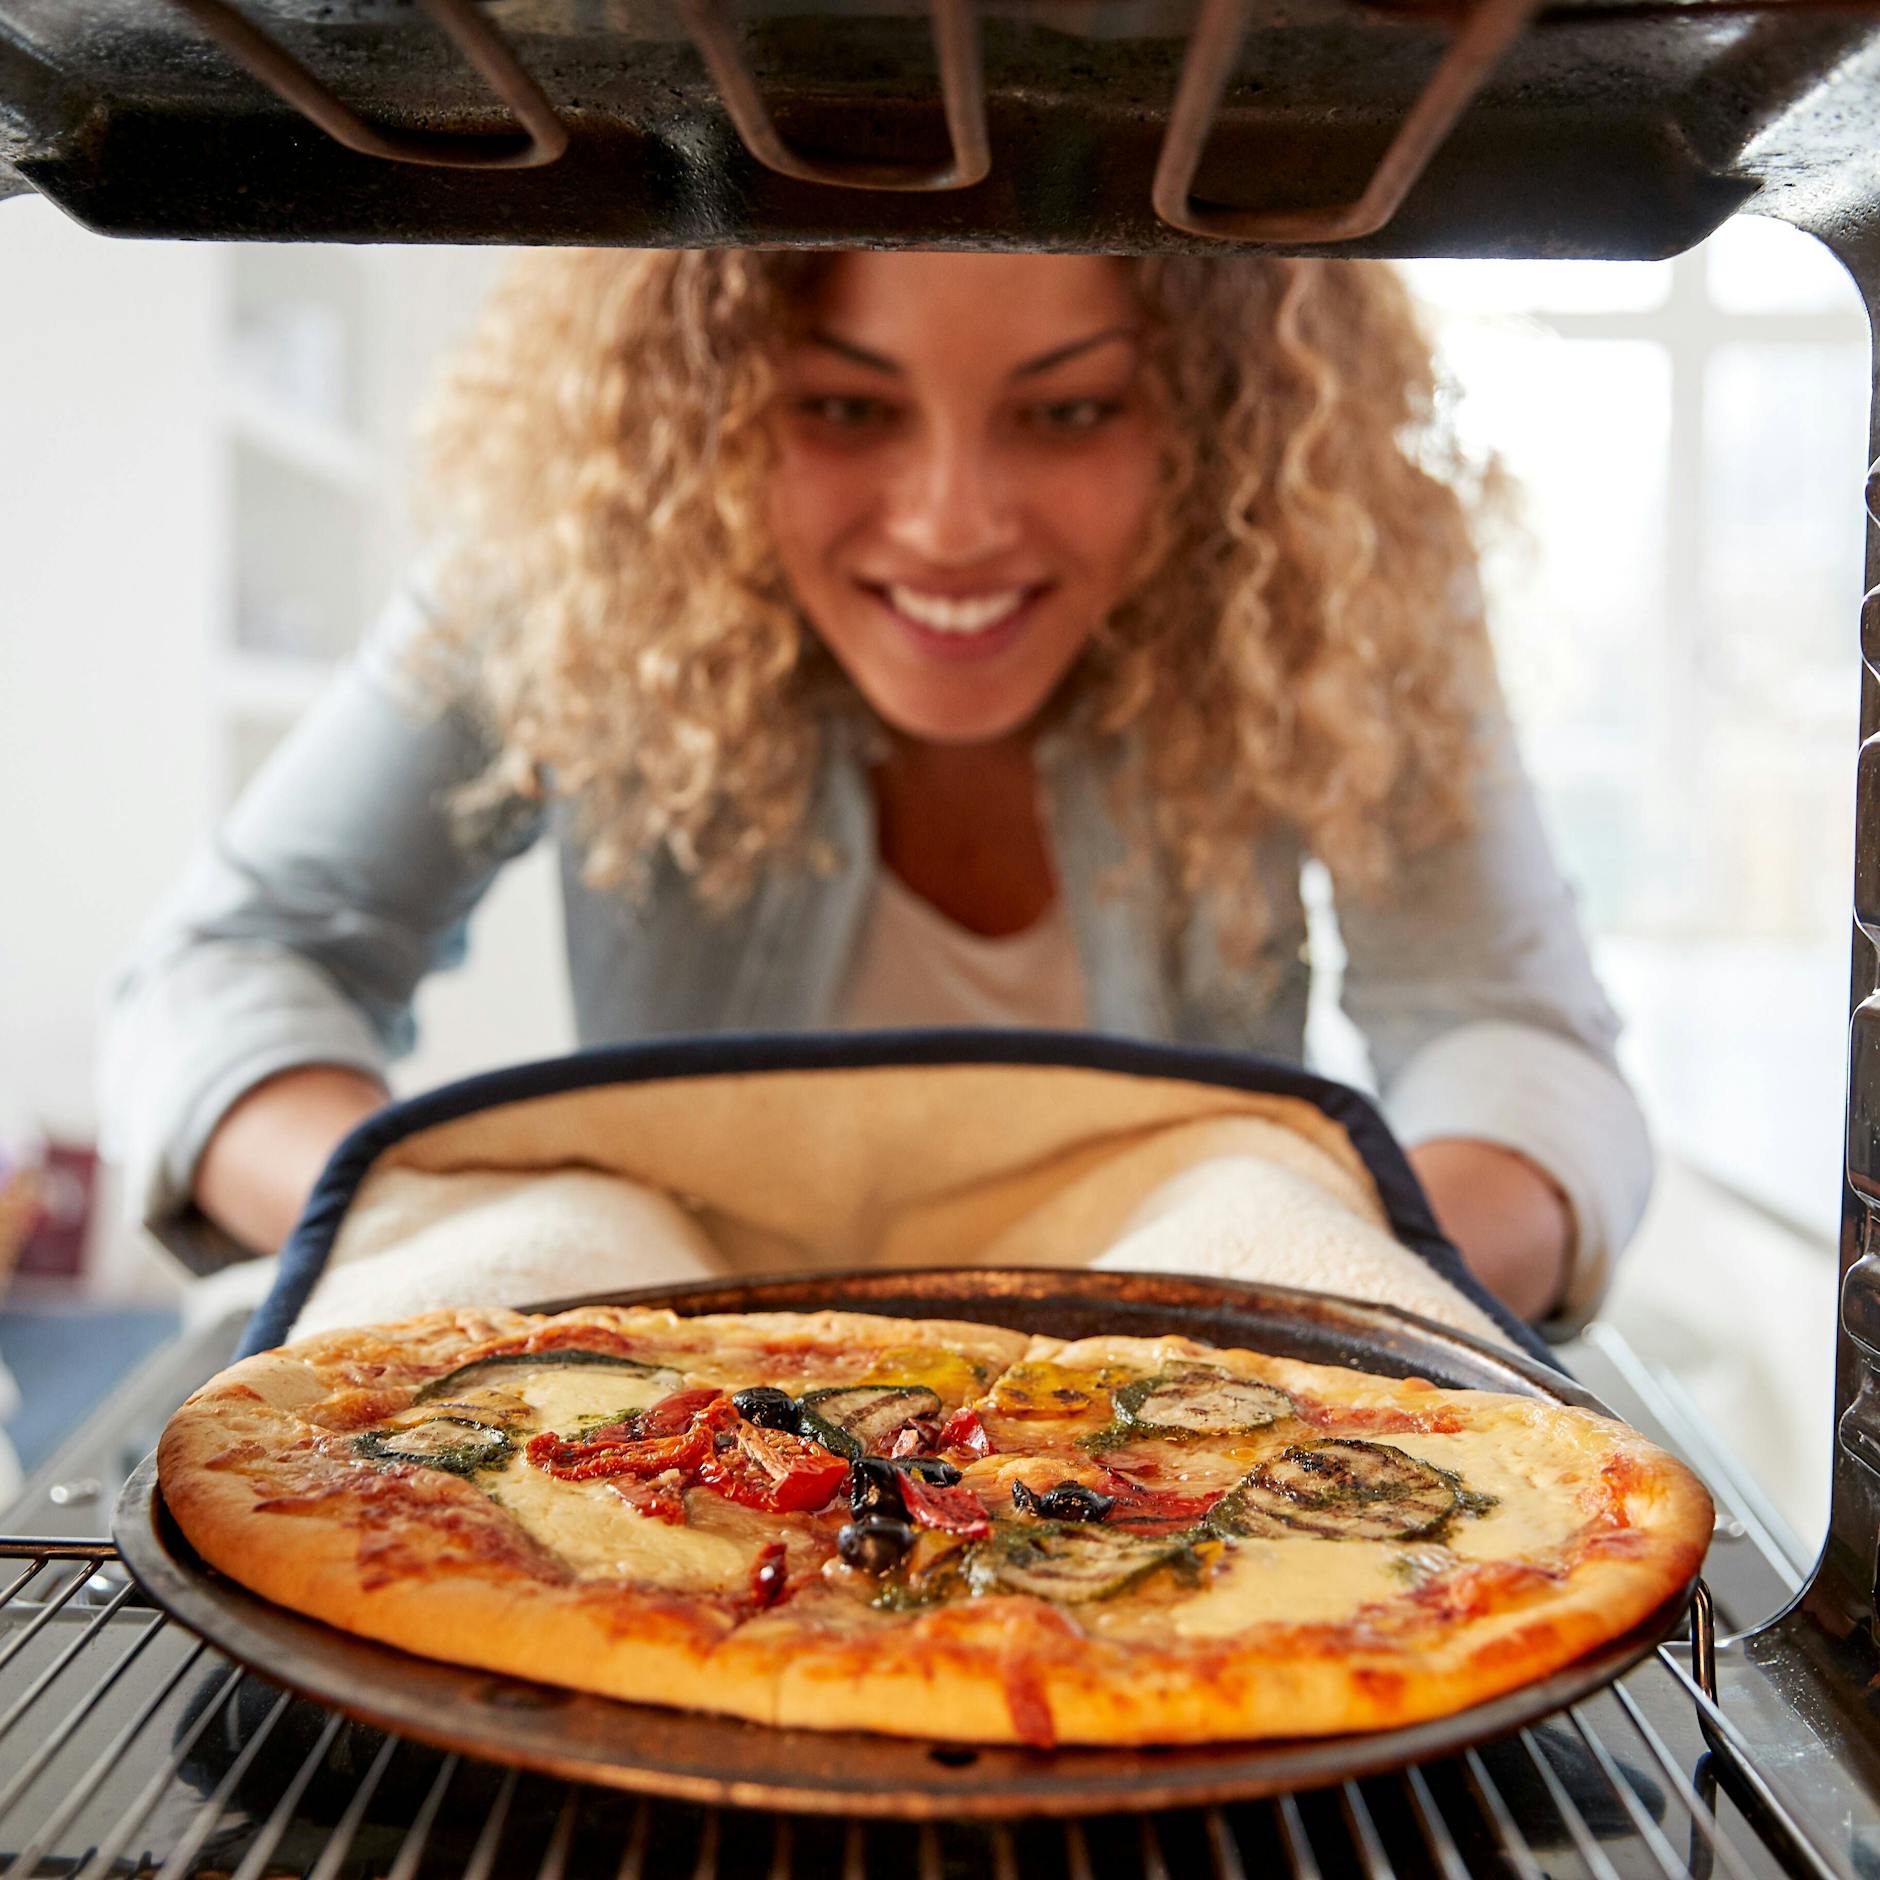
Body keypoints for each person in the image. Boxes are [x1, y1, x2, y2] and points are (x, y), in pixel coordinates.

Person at [100, 249, 1650, 1335]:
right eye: (845, 408)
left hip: (1177, 1468)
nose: (952, 522)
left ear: (1217, 417)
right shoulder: (572, 563)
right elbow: (231, 966)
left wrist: (1322, 1277)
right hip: (668, 1458)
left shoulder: (1332, 582)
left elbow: (1504, 1030)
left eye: (1070, 409)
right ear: (705, 406)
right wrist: (465, 1236)